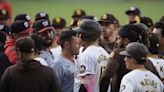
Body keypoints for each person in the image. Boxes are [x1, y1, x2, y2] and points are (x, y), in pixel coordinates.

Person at [73, 19, 109, 92]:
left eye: (80, 33)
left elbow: (87, 85)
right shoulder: (105, 53)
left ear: (86, 35)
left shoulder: (86, 55)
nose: (78, 36)